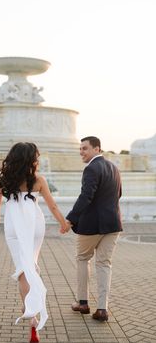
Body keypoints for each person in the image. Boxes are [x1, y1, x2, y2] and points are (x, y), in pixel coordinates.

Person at [0, 142, 67, 342]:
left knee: (23, 268)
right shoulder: (39, 180)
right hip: (34, 224)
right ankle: (28, 307)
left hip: (14, 225)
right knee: (30, 264)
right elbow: (52, 205)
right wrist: (63, 223)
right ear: (31, 160)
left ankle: (31, 314)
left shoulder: (4, 179)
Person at [66, 136, 122, 322]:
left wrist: (70, 219)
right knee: (104, 264)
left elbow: (86, 197)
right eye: (80, 149)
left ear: (97, 149)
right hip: (113, 224)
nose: (81, 152)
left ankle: (83, 303)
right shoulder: (114, 167)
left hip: (92, 225)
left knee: (83, 259)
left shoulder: (91, 168)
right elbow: (119, 193)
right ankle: (102, 309)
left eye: (85, 148)